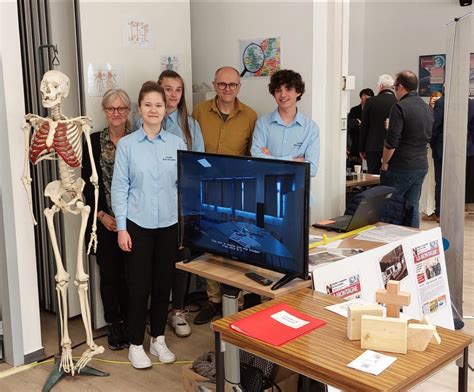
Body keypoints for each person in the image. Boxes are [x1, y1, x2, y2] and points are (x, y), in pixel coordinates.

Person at [111, 81, 187, 369]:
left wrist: (183, 228)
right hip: (137, 225)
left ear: (166, 109)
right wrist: (121, 228)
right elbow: (119, 189)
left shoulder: (176, 144)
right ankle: (135, 344)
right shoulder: (128, 145)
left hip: (168, 225)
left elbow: (182, 189)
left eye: (159, 105)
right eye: (148, 105)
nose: (154, 109)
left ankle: (157, 339)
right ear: (139, 109)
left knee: (162, 285)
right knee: (138, 287)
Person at [192, 66, 257, 325]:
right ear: (214, 85)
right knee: (210, 247)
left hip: (235, 192)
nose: (227, 89)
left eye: (232, 85)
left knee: (236, 246)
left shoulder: (250, 116)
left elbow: (253, 156)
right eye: (222, 84)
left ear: (239, 87)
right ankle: (213, 300)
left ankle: (236, 302)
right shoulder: (199, 112)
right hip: (204, 189)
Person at [82, 89, 132, 351]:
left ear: (129, 111)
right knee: (110, 274)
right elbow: (88, 185)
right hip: (104, 221)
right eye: (111, 109)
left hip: (133, 221)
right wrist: (101, 215)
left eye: (122, 108)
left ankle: (131, 321)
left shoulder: (137, 139)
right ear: (104, 110)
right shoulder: (92, 142)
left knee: (131, 275)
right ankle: (115, 324)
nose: (116, 114)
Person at [156, 70, 205, 338]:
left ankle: (177, 310)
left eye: (177, 90)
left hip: (182, 202)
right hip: (153, 203)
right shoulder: (144, 120)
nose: (172, 95)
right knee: (157, 260)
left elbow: (199, 164)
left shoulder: (190, 125)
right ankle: (157, 310)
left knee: (181, 258)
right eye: (167, 89)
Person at [380, 71, 434, 228]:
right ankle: (412, 242)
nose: (395, 91)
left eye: (395, 87)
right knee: (413, 206)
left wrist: (384, 163)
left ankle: (386, 242)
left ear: (401, 87)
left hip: (400, 165)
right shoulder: (427, 108)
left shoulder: (399, 107)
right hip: (421, 164)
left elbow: (392, 142)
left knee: (388, 205)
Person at [250, 69, 320, 177]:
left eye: (288, 89)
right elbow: (257, 161)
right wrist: (294, 160)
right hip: (266, 190)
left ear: (298, 92)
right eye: (278, 90)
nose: (283, 94)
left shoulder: (311, 128)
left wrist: (270, 160)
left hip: (299, 191)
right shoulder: (262, 124)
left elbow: (311, 170)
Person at [425, 95, 474, 222]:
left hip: (443, 147)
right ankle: (456, 212)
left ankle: (440, 213)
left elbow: (434, 126)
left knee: (441, 181)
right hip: (464, 148)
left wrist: (433, 143)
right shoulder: (470, 103)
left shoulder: (442, 103)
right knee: (459, 182)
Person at [359, 74, 397, 174]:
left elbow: (364, 126)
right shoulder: (398, 102)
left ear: (380, 86)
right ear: (392, 87)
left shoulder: (370, 102)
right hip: (392, 147)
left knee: (373, 178)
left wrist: (362, 148)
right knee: (390, 177)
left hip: (373, 146)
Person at [420, 91, 442, 221]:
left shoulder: (438, 116)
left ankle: (433, 208)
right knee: (428, 181)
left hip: (435, 151)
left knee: (434, 180)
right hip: (427, 151)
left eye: (437, 101)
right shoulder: (427, 114)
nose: (435, 103)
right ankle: (428, 208)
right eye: (433, 101)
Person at [347, 88, 374, 168]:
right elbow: (350, 124)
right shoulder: (354, 110)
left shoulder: (372, 110)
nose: (366, 97)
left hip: (368, 140)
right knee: (355, 164)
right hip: (356, 140)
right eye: (364, 95)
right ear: (361, 97)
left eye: (369, 95)